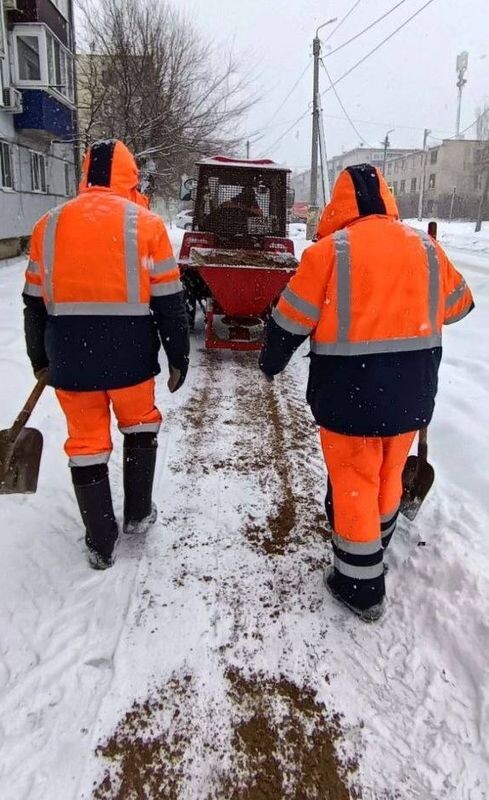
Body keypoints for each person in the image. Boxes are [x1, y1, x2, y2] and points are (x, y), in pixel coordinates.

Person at [259, 163, 474, 622]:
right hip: (412, 395)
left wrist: (271, 363)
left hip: (347, 397)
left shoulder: (328, 253)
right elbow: (461, 305)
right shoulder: (425, 247)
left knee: (355, 481)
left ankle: (360, 587)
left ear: (339, 203)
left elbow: (287, 322)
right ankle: (374, 545)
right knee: (389, 473)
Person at [23, 139, 190, 570]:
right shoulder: (146, 225)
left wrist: (38, 357)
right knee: (139, 426)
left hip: (70, 360)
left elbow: (34, 302)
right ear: (130, 177)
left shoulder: (49, 226)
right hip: (131, 358)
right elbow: (169, 301)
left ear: (85, 174)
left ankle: (100, 539)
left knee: (86, 445)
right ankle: (137, 513)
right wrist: (178, 356)